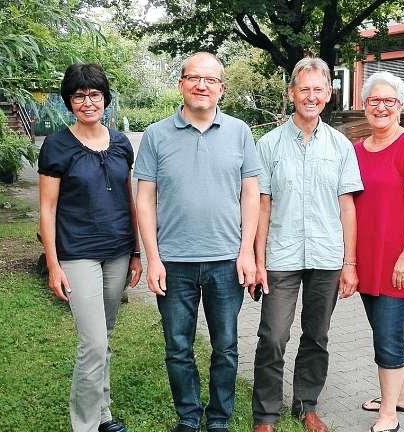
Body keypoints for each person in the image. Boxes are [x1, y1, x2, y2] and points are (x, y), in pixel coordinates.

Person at [134, 52, 261, 432]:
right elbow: (145, 199)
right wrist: (152, 258)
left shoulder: (240, 132)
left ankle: (219, 419)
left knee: (226, 347)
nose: (202, 85)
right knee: (178, 347)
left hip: (226, 261)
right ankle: (189, 418)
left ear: (222, 89)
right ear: (181, 84)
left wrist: (247, 253)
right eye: (194, 78)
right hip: (173, 262)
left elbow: (251, 194)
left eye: (210, 80)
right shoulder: (157, 135)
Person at [250, 57, 363, 432]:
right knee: (273, 335)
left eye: (318, 90)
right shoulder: (267, 145)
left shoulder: (341, 146)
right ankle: (266, 414)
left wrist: (350, 263)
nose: (310, 97)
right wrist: (256, 258)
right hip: (280, 255)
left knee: (317, 335)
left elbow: (347, 205)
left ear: (328, 95)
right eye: (304, 89)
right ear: (291, 93)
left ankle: (306, 403)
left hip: (327, 256)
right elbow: (262, 205)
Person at [39, 63, 142, 432]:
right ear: (69, 101)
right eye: (79, 96)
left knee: (104, 336)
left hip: (117, 251)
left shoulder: (120, 143)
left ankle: (103, 414)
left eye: (95, 94)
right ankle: (84, 425)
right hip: (77, 254)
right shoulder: (57, 145)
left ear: (105, 99)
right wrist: (53, 264)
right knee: (94, 343)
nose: (88, 102)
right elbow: (47, 209)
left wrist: (135, 252)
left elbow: (130, 200)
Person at [354, 71, 404, 432]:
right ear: (365, 105)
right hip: (370, 262)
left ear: (400, 106)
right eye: (375, 100)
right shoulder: (356, 150)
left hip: (402, 264)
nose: (381, 107)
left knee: (387, 337)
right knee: (390, 333)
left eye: (389, 101)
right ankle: (403, 396)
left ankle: (389, 413)